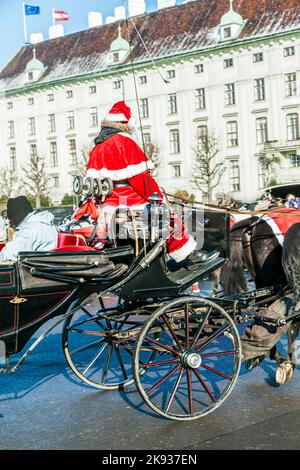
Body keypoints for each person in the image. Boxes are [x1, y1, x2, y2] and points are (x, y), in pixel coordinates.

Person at [77, 100, 217, 266]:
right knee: (170, 218)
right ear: (124, 123)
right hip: (131, 201)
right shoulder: (124, 142)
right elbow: (142, 180)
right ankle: (187, 255)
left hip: (108, 205)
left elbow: (95, 186)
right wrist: (159, 197)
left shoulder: (97, 148)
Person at [0, 196, 58, 262]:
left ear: (16, 217)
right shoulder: (45, 223)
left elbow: (7, 256)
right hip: (45, 265)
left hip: (34, 269)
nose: (9, 222)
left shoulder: (29, 230)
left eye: (11, 219)